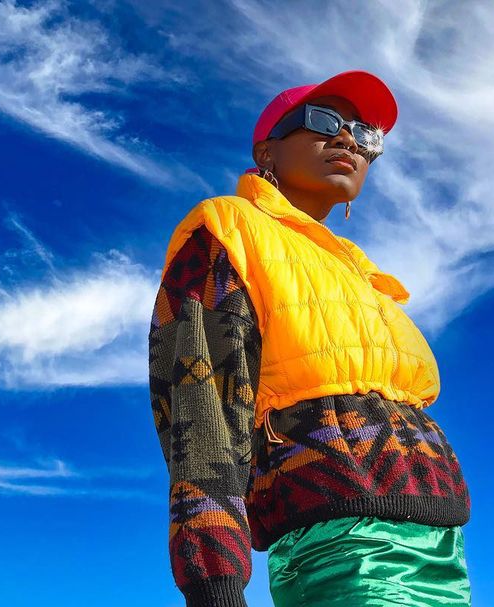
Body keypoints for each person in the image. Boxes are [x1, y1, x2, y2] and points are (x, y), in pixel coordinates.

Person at [148, 70, 472, 606]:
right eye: (323, 121)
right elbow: (200, 414)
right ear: (267, 152)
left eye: (365, 135)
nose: (348, 139)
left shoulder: (361, 274)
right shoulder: (229, 227)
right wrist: (215, 583)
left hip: (441, 541)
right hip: (342, 544)